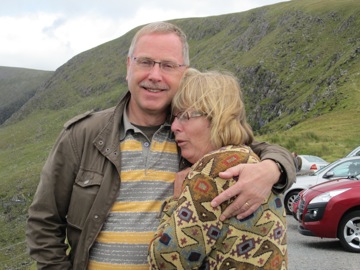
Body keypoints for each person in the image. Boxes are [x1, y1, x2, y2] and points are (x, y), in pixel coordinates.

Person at [26, 21, 295, 269]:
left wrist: (272, 170)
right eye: (145, 62)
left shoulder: (197, 135)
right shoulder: (82, 134)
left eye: (167, 65)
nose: (155, 75)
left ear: (184, 74)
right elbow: (44, 221)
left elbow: (257, 150)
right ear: (128, 66)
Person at [148, 68, 288, 269]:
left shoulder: (213, 170)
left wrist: (175, 200)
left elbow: (165, 261)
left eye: (185, 116)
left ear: (216, 117)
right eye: (174, 118)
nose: (174, 127)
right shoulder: (251, 160)